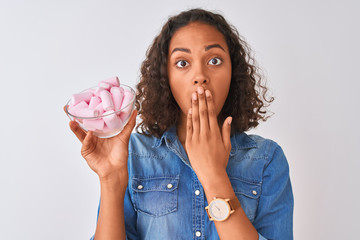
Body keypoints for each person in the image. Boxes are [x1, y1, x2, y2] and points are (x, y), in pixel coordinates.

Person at [68, 8, 293, 240]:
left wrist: (214, 175)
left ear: (233, 72)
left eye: (214, 60)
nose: (200, 76)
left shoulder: (267, 159)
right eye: (183, 62)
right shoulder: (133, 154)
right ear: (167, 78)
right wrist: (111, 179)